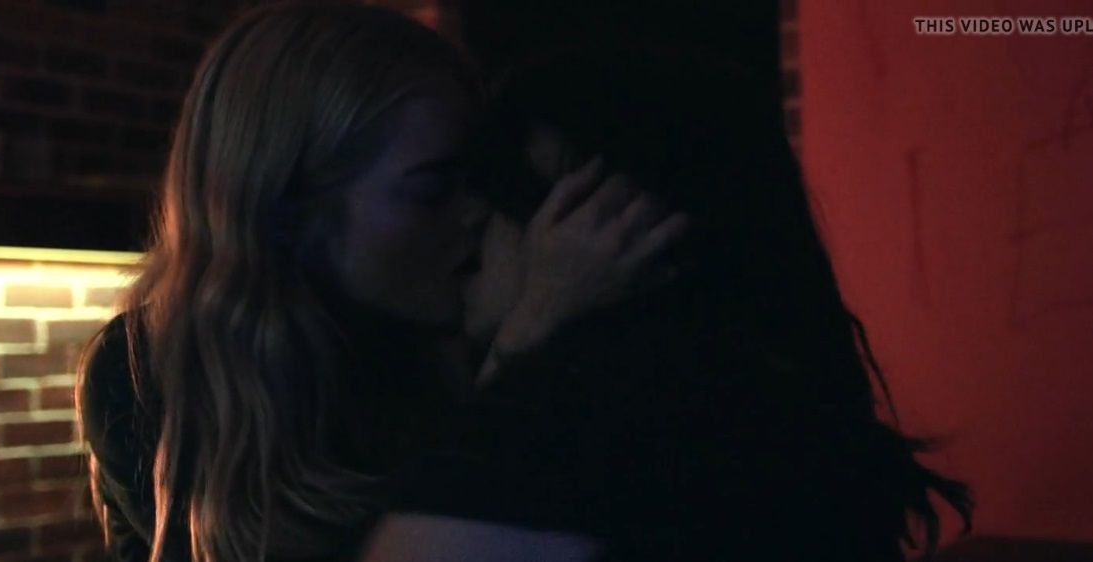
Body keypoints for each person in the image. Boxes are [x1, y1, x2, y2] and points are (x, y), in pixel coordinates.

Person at [76, 4, 687, 562]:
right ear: (291, 209)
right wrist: (526, 345)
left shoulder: (451, 335)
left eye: (478, 178)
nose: (477, 212)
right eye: (432, 189)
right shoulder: (149, 369)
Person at [363, 48, 974, 562]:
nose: (469, 219)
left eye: (507, 187)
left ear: (621, 221)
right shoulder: (785, 412)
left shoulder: (585, 437)